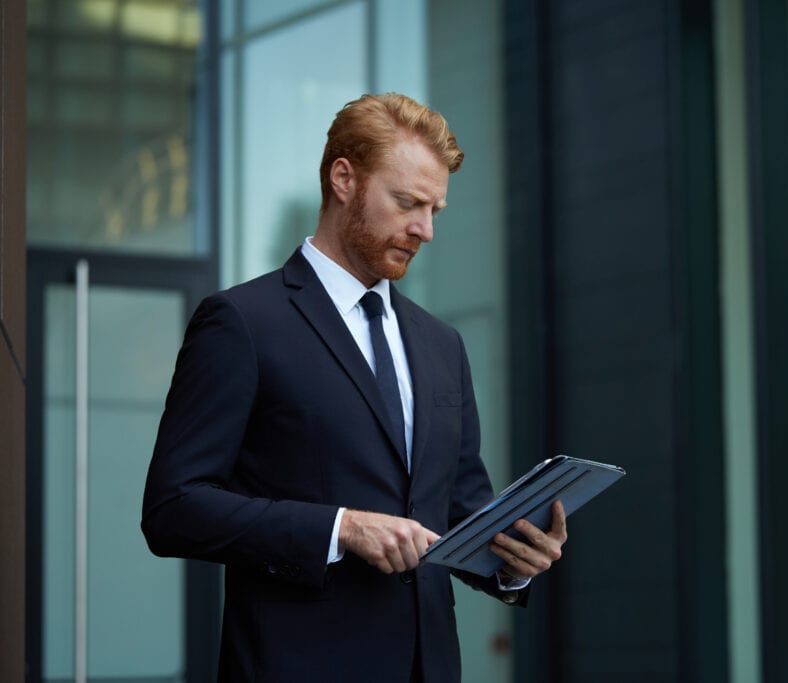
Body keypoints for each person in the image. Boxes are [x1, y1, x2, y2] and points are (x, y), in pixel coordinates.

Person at [142, 93, 567, 682]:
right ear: (344, 178)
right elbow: (172, 508)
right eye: (408, 203)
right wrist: (340, 528)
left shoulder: (443, 345)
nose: (426, 229)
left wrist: (512, 559)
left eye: (435, 209)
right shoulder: (242, 322)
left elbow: (457, 515)